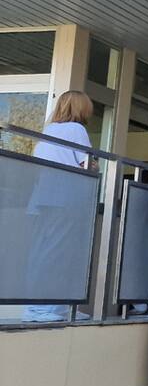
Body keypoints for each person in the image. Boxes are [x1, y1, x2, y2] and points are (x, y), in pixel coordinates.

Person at [22, 90, 93, 323]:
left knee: (42, 252)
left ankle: (38, 308)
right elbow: (85, 165)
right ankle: (51, 308)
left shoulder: (49, 130)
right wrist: (95, 165)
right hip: (66, 197)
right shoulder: (77, 130)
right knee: (60, 253)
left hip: (42, 196)